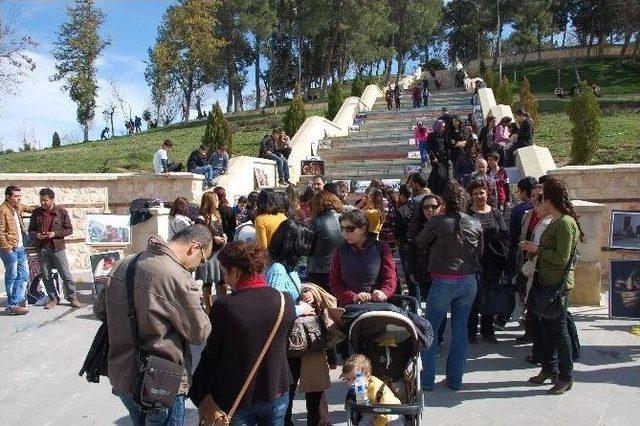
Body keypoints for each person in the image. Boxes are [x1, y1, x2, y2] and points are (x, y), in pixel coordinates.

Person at [94, 224, 213, 425]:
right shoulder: (177, 276)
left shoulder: (123, 264)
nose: (198, 266)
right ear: (194, 247)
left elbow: (100, 311)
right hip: (161, 381)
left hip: (123, 375)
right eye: (203, 260)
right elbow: (199, 333)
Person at [189, 241, 296, 425]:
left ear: (235, 272)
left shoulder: (225, 306)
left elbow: (213, 353)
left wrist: (198, 390)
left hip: (235, 396)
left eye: (224, 272)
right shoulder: (284, 300)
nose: (224, 278)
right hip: (276, 389)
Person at [264, 219, 332, 426]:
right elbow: (274, 307)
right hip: (287, 341)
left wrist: (306, 293)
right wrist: (300, 308)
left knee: (306, 387)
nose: (308, 248)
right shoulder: (277, 269)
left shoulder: (289, 267)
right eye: (305, 243)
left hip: (298, 338)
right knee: (286, 391)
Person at [417, 182, 483, 391]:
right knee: (460, 329)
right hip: (468, 280)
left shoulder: (438, 221)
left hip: (444, 280)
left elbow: (420, 241)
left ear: (445, 202)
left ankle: (427, 380)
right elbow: (480, 253)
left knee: (431, 329)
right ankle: (455, 379)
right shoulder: (474, 222)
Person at [523, 177, 583, 395]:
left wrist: (536, 249)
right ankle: (549, 368)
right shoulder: (556, 221)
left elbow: (562, 258)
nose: (540, 201)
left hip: (557, 285)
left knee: (559, 331)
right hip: (545, 281)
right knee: (545, 329)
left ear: (550, 200)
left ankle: (565, 376)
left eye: (543, 198)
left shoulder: (566, 223)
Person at [466, 179, 509, 344]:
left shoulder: (496, 213)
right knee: (473, 298)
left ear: (487, 193)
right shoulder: (467, 214)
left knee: (490, 296)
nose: (478, 196)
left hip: (494, 262)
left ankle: (488, 330)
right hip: (473, 262)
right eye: (475, 193)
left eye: (481, 192)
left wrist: (504, 257)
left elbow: (504, 234)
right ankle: (471, 332)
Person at [28, 188, 84, 309]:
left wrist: (55, 234)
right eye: (41, 200)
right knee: (46, 276)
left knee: (65, 274)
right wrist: (36, 235)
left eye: (45, 200)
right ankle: (53, 298)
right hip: (42, 248)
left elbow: (69, 230)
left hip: (57, 248)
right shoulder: (36, 213)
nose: (42, 202)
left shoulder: (61, 212)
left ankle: (72, 297)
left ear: (52, 199)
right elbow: (30, 230)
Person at [330, 209, 397, 306]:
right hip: (350, 307)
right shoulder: (340, 251)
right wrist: (353, 296)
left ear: (363, 229)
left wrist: (383, 292)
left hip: (377, 306)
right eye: (342, 229)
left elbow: (390, 279)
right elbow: (335, 284)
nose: (344, 233)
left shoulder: (381, 248)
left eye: (349, 228)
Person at [413, 195, 447, 348]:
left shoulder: (444, 225)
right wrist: (410, 270)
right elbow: (411, 250)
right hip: (423, 272)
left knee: (439, 307)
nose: (430, 210)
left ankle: (437, 338)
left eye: (433, 206)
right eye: (426, 207)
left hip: (441, 273)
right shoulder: (416, 225)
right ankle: (431, 336)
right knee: (430, 307)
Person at [341, 354, 403, 426]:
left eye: (355, 378)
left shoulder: (376, 387)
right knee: (364, 421)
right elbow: (363, 404)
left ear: (367, 376)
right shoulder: (359, 386)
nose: (351, 382)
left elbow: (387, 411)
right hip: (373, 410)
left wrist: (378, 424)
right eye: (348, 379)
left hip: (391, 410)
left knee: (394, 422)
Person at [0, 185, 33, 315]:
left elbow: (28, 208)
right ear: (8, 197)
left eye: (20, 196)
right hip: (10, 248)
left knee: (24, 275)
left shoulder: (16, 207)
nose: (19, 199)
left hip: (19, 247)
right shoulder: (3, 210)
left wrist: (42, 208)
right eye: (16, 196)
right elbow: (0, 232)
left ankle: (17, 301)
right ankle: (12, 305)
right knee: (12, 276)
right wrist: (7, 248)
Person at [195, 192, 227, 311]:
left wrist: (223, 235)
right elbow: (200, 235)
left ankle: (223, 306)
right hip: (208, 254)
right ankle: (209, 308)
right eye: (216, 200)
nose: (218, 202)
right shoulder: (201, 218)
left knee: (222, 281)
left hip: (219, 253)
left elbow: (220, 230)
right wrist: (214, 238)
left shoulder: (217, 215)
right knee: (207, 281)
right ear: (210, 202)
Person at [393, 185, 413, 292]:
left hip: (404, 243)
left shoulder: (401, 210)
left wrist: (397, 240)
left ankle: (413, 297)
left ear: (401, 195)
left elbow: (397, 230)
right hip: (416, 242)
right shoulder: (417, 207)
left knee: (408, 272)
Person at [427, 120, 450, 196]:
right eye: (442, 127)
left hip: (444, 159)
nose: (443, 128)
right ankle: (435, 191)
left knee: (444, 175)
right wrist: (433, 158)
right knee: (437, 174)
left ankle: (443, 192)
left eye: (444, 127)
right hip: (436, 159)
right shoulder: (432, 135)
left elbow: (447, 147)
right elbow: (429, 148)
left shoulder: (445, 135)